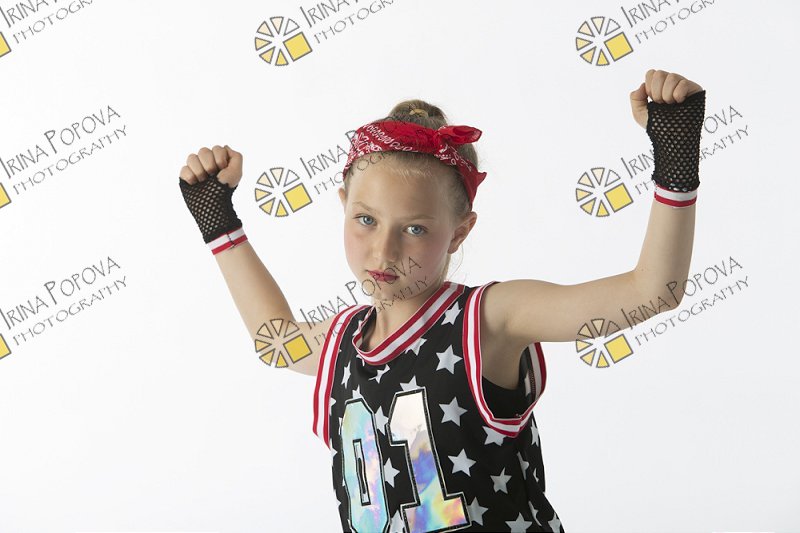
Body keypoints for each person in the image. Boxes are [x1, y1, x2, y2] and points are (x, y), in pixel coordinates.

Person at [177, 69, 706, 532]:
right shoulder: (340, 342)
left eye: (415, 228)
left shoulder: (488, 320)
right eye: (366, 220)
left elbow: (653, 292)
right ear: (343, 205)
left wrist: (675, 158)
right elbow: (275, 343)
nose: (383, 250)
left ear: (459, 232)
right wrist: (219, 223)